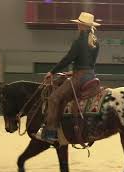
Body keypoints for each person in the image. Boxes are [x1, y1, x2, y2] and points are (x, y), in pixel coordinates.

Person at [35, 12, 101, 143]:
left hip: (79, 78)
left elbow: (68, 59)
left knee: (54, 98)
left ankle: (50, 132)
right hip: (91, 76)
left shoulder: (79, 41)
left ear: (81, 26)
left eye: (78, 24)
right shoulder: (95, 42)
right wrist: (74, 72)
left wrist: (52, 72)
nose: (77, 26)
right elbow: (90, 64)